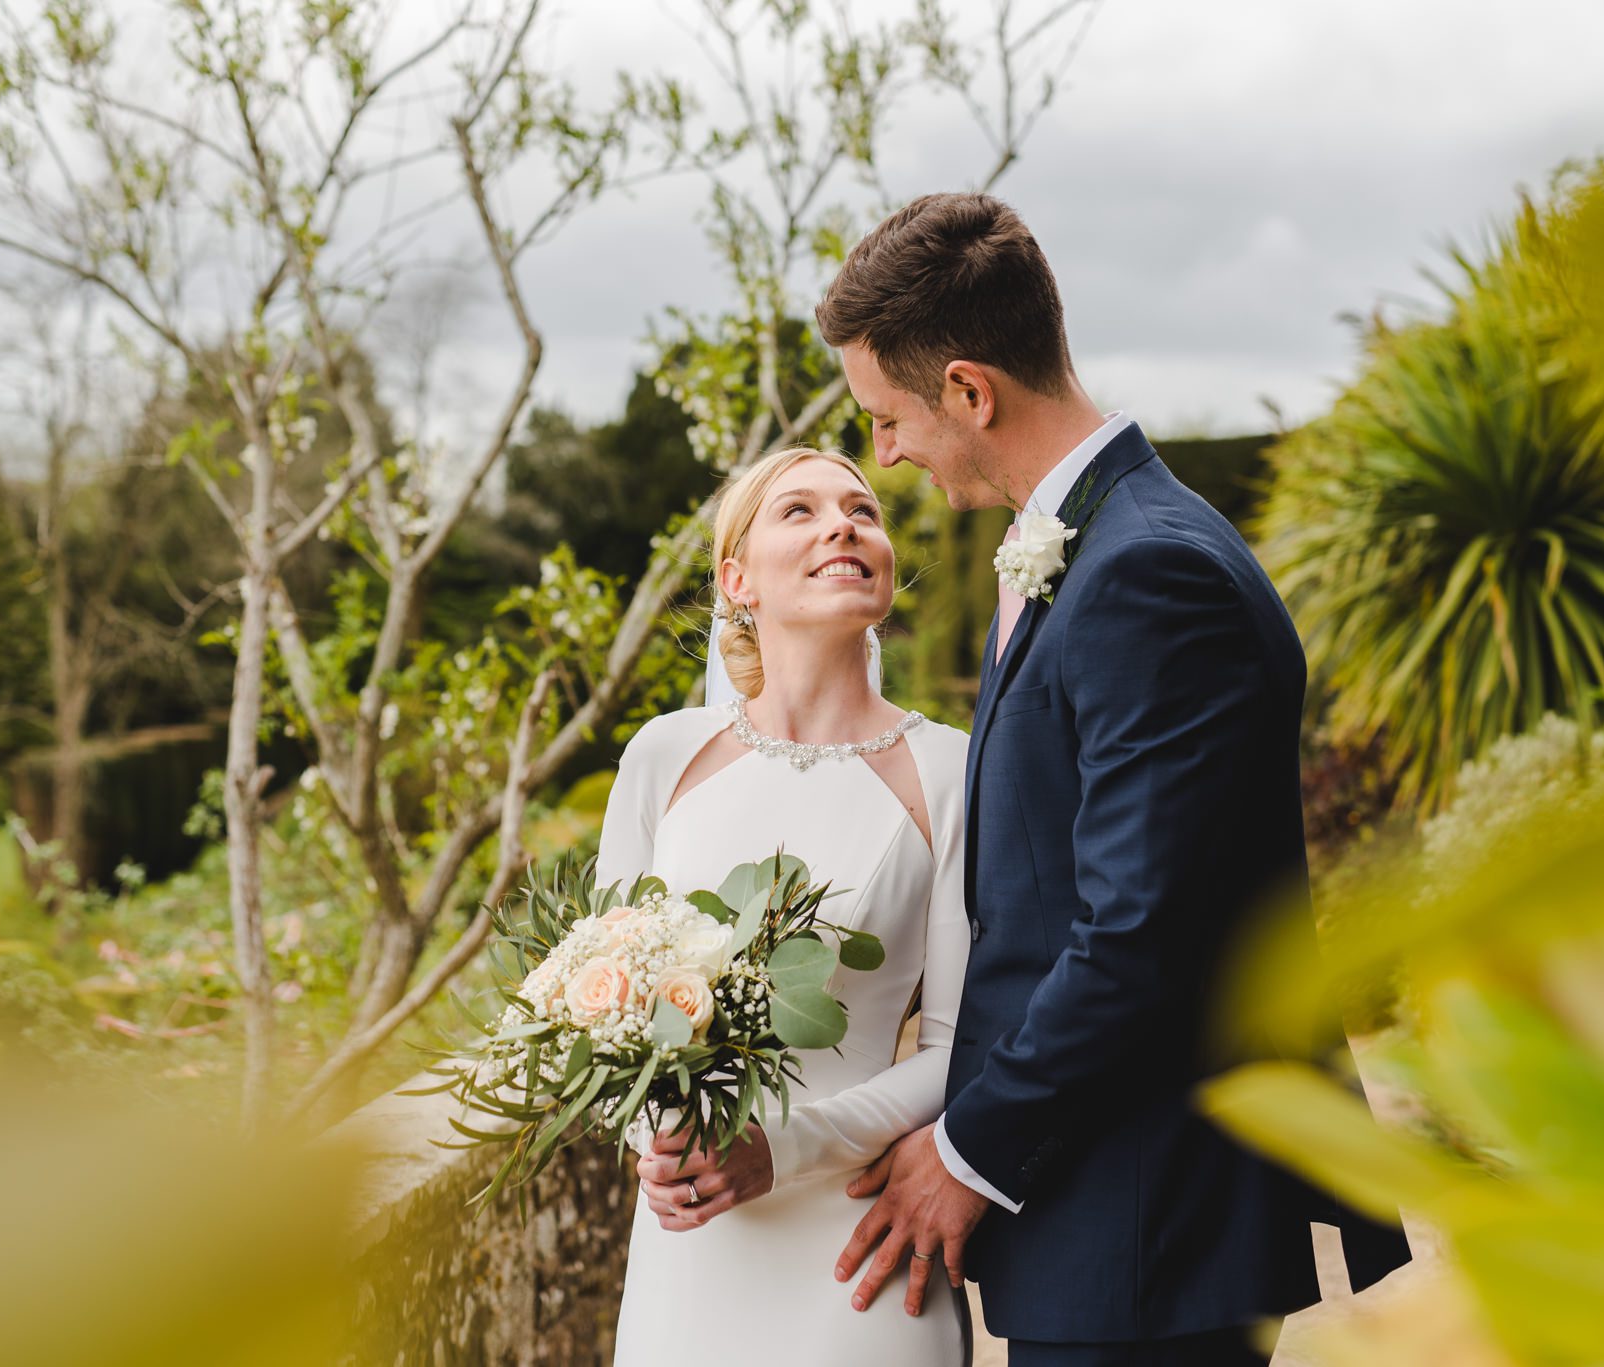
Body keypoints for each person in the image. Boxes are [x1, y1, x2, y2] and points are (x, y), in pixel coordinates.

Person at [814, 192, 1412, 1366]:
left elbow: (1136, 931)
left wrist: (966, 1149)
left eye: (884, 418)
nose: (882, 452)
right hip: (1107, 1223)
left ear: (968, 392)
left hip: (1145, 1224)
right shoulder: (1098, 545)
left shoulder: (1149, 574)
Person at [599, 446, 974, 1366]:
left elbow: (962, 1045)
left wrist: (786, 1144)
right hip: (689, 1249)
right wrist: (660, 1136)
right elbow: (600, 1004)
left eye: (863, 510)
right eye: (798, 511)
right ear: (738, 578)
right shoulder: (664, 756)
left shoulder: (952, 769)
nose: (843, 524)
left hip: (859, 1243)